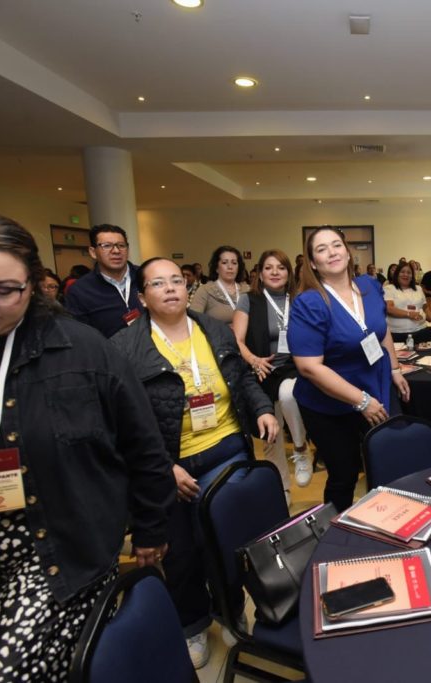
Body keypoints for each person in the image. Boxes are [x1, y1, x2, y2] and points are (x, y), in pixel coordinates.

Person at [0, 210, 173, 680]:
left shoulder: (84, 350)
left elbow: (143, 445)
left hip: (66, 548)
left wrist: (151, 527)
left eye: (3, 289)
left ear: (31, 283)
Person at [111, 256, 277, 668]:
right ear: (141, 296)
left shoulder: (214, 329)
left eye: (176, 281)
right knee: (181, 552)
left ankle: (230, 607)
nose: (170, 288)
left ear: (188, 289)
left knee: (224, 540)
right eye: (157, 283)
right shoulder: (123, 347)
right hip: (167, 462)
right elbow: (120, 422)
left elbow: (240, 378)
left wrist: (262, 408)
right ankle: (192, 624)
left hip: (225, 447)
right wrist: (163, 467)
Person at [288, 227, 410, 512]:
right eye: (321, 249)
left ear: (347, 252)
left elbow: (381, 330)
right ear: (313, 263)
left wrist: (394, 368)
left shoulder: (369, 286)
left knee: (386, 459)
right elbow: (309, 367)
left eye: (336, 245)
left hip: (375, 385)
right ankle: (337, 530)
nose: (332, 252)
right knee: (344, 474)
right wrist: (361, 401)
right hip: (328, 403)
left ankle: (387, 519)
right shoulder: (309, 303)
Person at [231, 249, 313, 494]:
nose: (275, 272)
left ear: (289, 273)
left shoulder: (299, 299)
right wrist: (254, 360)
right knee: (271, 434)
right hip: (261, 369)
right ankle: (282, 490)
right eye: (268, 268)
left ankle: (300, 448)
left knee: (288, 395)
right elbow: (237, 340)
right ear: (260, 273)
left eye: (281, 267)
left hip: (293, 367)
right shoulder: (249, 299)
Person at [63, 224, 145, 337]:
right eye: (107, 246)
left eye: (121, 245)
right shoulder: (80, 291)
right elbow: (80, 336)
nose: (116, 251)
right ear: (93, 252)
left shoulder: (145, 276)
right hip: (108, 347)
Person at [384, 261, 431, 344]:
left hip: (421, 330)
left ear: (412, 276)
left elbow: (425, 307)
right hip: (398, 334)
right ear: (397, 274)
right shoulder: (389, 289)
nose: (406, 275)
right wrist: (409, 314)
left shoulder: (418, 289)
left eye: (409, 273)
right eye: (402, 272)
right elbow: (389, 308)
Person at [189, 246, 246, 325]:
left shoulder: (247, 290)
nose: (230, 267)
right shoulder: (205, 290)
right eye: (224, 262)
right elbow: (193, 322)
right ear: (216, 268)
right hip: (215, 333)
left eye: (234, 263)